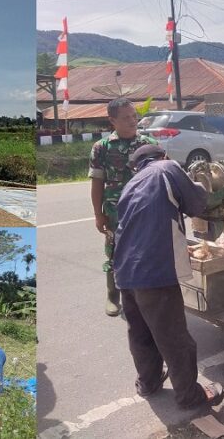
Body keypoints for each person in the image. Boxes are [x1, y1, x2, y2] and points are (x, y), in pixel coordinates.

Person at [113, 144, 224, 410]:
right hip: (154, 273)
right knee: (175, 338)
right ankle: (189, 396)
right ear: (163, 156)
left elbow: (143, 226)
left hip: (125, 271)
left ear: (135, 166)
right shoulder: (167, 168)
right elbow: (198, 203)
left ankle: (148, 383)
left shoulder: (131, 185)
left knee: (140, 334)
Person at [88, 98, 157, 316]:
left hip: (144, 210)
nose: (132, 121)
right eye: (126, 117)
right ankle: (112, 295)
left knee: (144, 253)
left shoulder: (148, 143)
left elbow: (159, 177)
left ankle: (139, 298)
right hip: (114, 211)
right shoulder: (102, 148)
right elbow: (97, 183)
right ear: (112, 120)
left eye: (134, 116)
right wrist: (98, 215)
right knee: (115, 253)